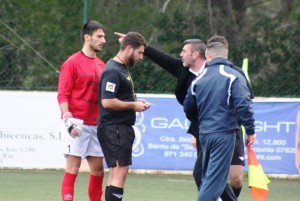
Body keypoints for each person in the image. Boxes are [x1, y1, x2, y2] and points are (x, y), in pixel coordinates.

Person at [115, 32, 250, 200]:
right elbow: (162, 59)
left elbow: (245, 99)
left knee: (235, 179)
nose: (180, 55)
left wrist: (249, 128)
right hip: (205, 129)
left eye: (184, 51)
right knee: (204, 173)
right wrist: (137, 42)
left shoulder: (226, 71)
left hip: (229, 129)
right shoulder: (184, 69)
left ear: (196, 54)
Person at [183, 35, 256, 201]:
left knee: (211, 177)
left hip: (204, 134)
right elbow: (244, 104)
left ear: (208, 56)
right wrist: (250, 130)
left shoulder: (198, 79)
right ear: (226, 53)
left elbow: (188, 108)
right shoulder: (233, 76)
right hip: (224, 134)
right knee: (213, 181)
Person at [97, 32, 150, 201]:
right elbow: (107, 101)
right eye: (140, 53)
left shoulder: (120, 68)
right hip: (115, 128)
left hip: (118, 127)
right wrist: (133, 105)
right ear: (129, 48)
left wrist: (135, 101)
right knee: (120, 173)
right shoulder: (113, 70)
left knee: (115, 174)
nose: (141, 57)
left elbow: (117, 97)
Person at [57, 20, 106, 201]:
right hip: (76, 124)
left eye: (104, 36)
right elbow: (62, 94)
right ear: (87, 37)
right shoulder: (71, 63)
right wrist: (67, 116)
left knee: (98, 170)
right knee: (73, 168)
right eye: (99, 36)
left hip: (97, 124)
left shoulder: (102, 65)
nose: (103, 40)